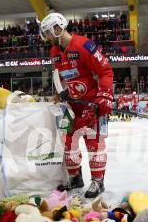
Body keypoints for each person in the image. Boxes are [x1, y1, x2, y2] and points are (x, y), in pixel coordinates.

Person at [39, 12, 114, 198]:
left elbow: (105, 71)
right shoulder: (54, 52)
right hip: (72, 107)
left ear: (57, 29)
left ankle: (98, 181)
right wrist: (58, 93)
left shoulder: (83, 45)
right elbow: (60, 77)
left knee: (94, 143)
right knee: (69, 144)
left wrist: (104, 96)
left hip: (93, 104)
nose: (47, 38)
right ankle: (75, 178)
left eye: (48, 33)